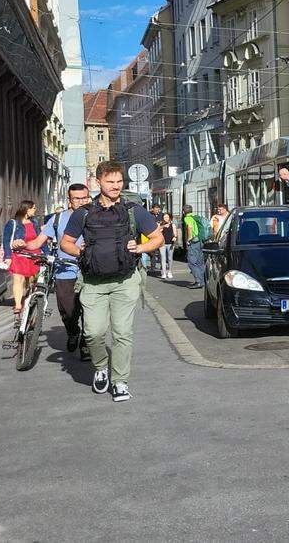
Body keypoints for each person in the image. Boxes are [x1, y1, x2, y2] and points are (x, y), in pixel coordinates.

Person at [60, 162, 163, 402]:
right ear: (98, 182)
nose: (116, 186)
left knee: (122, 333)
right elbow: (66, 243)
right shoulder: (83, 213)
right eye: (110, 182)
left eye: (119, 181)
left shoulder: (133, 210)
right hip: (93, 282)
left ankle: (120, 382)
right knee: (93, 333)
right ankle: (101, 367)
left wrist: (140, 247)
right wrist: (81, 252)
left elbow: (157, 238)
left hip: (125, 280)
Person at [15, 184, 91, 352]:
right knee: (67, 310)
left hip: (89, 271)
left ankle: (86, 343)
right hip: (64, 271)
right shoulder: (57, 219)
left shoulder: (94, 217)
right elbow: (37, 242)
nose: (81, 201)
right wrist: (23, 244)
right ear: (69, 200)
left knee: (89, 309)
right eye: (77, 198)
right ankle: (73, 332)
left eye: (85, 197)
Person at [2, 200, 40, 321]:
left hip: (34, 255)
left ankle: (27, 301)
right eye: (34, 208)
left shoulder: (34, 222)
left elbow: (40, 239)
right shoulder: (13, 223)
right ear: (27, 209)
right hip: (19, 255)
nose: (35, 210)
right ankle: (18, 304)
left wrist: (47, 254)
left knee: (31, 282)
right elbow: (6, 241)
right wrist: (7, 256)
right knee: (18, 279)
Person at [182, 205, 207, 289]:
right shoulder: (195, 216)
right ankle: (203, 281)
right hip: (200, 241)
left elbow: (190, 227)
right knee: (200, 262)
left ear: (183, 211)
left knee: (191, 262)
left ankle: (198, 281)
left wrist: (188, 239)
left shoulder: (187, 218)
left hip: (194, 241)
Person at [158, 212, 177, 280]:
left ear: (169, 218)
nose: (166, 218)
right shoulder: (160, 225)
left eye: (167, 217)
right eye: (164, 217)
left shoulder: (173, 225)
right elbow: (157, 232)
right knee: (163, 258)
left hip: (170, 243)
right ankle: (164, 272)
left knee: (169, 258)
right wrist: (162, 227)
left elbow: (175, 234)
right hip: (162, 244)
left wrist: (175, 237)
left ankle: (169, 271)